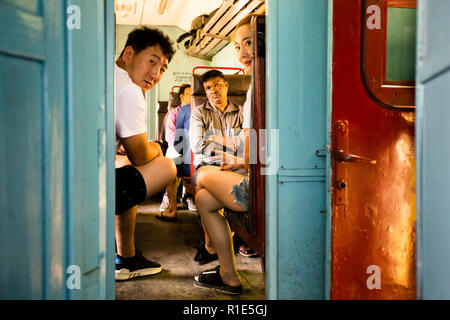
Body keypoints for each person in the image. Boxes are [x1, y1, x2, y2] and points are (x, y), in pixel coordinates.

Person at [192, 14, 260, 294]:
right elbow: (197, 145)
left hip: (256, 179)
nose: (243, 52)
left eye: (249, 42)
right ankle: (228, 275)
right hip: (248, 167)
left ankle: (224, 265)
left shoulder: (260, 89)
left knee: (204, 177)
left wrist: (240, 156)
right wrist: (239, 153)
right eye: (237, 46)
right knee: (203, 198)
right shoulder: (199, 112)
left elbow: (258, 145)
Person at [114, 27, 177, 281]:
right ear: (129, 53)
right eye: (152, 61)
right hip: (82, 188)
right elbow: (141, 156)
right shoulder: (128, 89)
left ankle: (126, 258)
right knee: (166, 165)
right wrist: (156, 146)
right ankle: (125, 257)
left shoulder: (107, 74)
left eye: (162, 69)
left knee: (126, 170)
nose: (156, 74)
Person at [157, 84, 195, 220]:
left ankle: (188, 195)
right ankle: (168, 196)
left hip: (193, 147)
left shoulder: (199, 111)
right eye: (188, 95)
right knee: (172, 162)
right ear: (181, 97)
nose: (191, 98)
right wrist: (183, 146)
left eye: (193, 95)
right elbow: (170, 136)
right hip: (176, 146)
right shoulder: (175, 113)